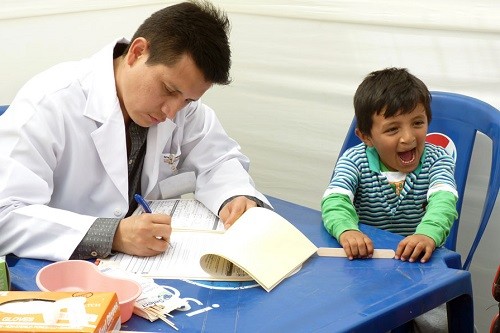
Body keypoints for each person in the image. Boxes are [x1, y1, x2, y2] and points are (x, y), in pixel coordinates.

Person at [0, 1, 271, 262]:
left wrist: (237, 197)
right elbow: (6, 214)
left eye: (188, 100)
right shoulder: (50, 102)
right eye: (169, 90)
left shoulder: (183, 109)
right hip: (55, 272)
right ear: (137, 52)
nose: (171, 112)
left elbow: (219, 161)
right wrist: (113, 234)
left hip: (141, 268)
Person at [321, 67, 458, 264]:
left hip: (419, 262)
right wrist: (347, 230)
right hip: (367, 260)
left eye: (418, 123)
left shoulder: (438, 159)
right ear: (366, 137)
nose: (408, 138)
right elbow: (335, 200)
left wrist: (427, 235)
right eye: (393, 129)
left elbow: (444, 202)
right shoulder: (354, 160)